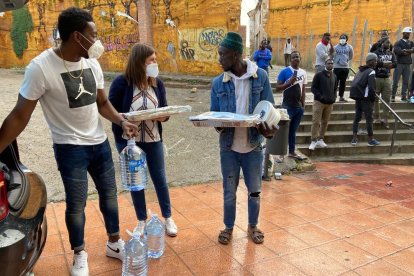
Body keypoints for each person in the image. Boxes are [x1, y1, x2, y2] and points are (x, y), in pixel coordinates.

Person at [0, 7, 138, 276]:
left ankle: (114, 243)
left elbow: (102, 102)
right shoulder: (41, 68)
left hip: (99, 144)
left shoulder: (92, 63)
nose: (97, 40)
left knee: (110, 197)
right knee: (77, 205)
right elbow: (19, 115)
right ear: (77, 36)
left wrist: (121, 121)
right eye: (93, 34)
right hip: (69, 148)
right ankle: (80, 254)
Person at [210, 32, 277, 245]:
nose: (219, 59)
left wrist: (269, 130)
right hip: (229, 147)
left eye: (223, 54)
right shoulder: (218, 83)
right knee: (229, 191)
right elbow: (215, 115)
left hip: (254, 146)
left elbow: (269, 110)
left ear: (237, 55)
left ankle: (252, 225)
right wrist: (217, 124)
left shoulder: (261, 77)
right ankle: (228, 227)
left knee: (254, 191)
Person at [108, 43, 178, 237]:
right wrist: (126, 119)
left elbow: (164, 111)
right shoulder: (121, 83)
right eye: (151, 61)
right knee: (136, 181)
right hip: (130, 141)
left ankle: (168, 217)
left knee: (159, 178)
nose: (155, 64)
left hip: (153, 138)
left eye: (155, 60)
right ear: (140, 63)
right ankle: (141, 220)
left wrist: (161, 116)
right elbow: (111, 111)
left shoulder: (158, 83)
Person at [276, 51, 307, 160]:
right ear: (290, 60)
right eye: (293, 57)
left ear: (300, 58)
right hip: (287, 106)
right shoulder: (284, 71)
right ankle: (281, 153)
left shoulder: (303, 72)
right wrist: (289, 83)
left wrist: (303, 105)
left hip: (298, 107)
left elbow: (303, 90)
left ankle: (292, 151)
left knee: (293, 131)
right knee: (284, 131)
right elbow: (277, 88)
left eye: (297, 57)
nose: (296, 59)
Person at [350, 53, 380, 146]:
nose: (376, 62)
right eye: (375, 60)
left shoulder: (360, 71)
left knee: (357, 118)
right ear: (370, 61)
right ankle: (371, 139)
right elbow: (371, 88)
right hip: (366, 99)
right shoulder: (371, 71)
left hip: (358, 97)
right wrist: (372, 99)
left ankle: (354, 138)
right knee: (369, 119)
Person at [309, 58, 337, 150]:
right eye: (328, 63)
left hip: (329, 103)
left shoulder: (334, 76)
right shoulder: (319, 75)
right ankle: (313, 140)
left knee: (325, 122)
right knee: (316, 121)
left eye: (332, 63)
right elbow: (313, 88)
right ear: (325, 64)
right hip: (319, 102)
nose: (330, 65)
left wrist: (334, 97)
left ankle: (321, 139)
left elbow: (335, 88)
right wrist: (320, 96)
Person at [373, 38, 396, 128]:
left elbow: (395, 63)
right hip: (377, 78)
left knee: (387, 99)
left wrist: (388, 64)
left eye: (389, 42)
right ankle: (376, 117)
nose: (389, 44)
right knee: (375, 98)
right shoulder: (376, 53)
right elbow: (374, 62)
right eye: (387, 42)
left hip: (387, 78)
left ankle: (385, 118)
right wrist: (383, 64)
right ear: (382, 43)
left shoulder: (391, 53)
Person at [391, 27, 414, 102]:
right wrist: (408, 51)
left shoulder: (411, 43)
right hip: (399, 64)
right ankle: (393, 96)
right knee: (395, 81)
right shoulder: (398, 42)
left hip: (407, 64)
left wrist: (405, 50)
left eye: (409, 33)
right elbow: (398, 51)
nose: (409, 35)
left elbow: (413, 50)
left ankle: (403, 97)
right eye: (407, 33)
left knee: (406, 81)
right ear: (403, 33)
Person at [333, 33, 354, 102]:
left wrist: (346, 60)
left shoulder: (349, 47)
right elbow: (332, 55)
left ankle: (341, 97)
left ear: (346, 39)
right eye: (341, 38)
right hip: (336, 67)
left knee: (343, 83)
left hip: (345, 68)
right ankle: (334, 96)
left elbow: (351, 56)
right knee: (335, 82)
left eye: (343, 38)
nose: (342, 39)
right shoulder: (335, 47)